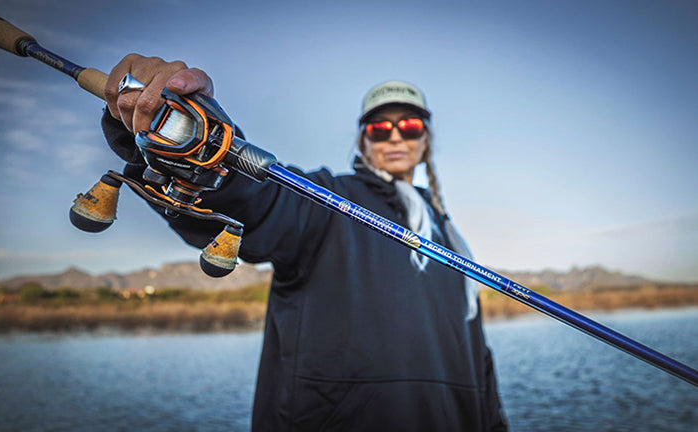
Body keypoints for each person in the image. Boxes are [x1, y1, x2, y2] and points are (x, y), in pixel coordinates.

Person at [101, 54, 508, 431]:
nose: (396, 137)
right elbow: (257, 201)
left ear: (425, 140)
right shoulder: (327, 199)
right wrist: (188, 136)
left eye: (411, 126)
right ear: (364, 140)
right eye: (381, 128)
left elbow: (479, 358)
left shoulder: (450, 235)